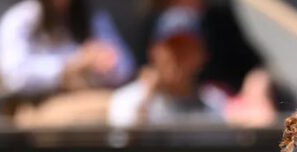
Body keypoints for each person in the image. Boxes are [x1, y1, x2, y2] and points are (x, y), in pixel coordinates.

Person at [108, 6, 275, 128]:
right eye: (171, 48)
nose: (177, 58)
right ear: (154, 52)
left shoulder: (214, 102)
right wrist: (147, 96)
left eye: (186, 49)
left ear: (201, 56)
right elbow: (127, 149)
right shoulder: (128, 99)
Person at [0, 0, 135, 99]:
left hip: (90, 96)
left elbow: (125, 66)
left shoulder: (90, 17)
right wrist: (72, 64)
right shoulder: (21, 18)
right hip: (39, 103)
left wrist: (105, 62)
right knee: (120, 109)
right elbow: (15, 76)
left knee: (129, 105)